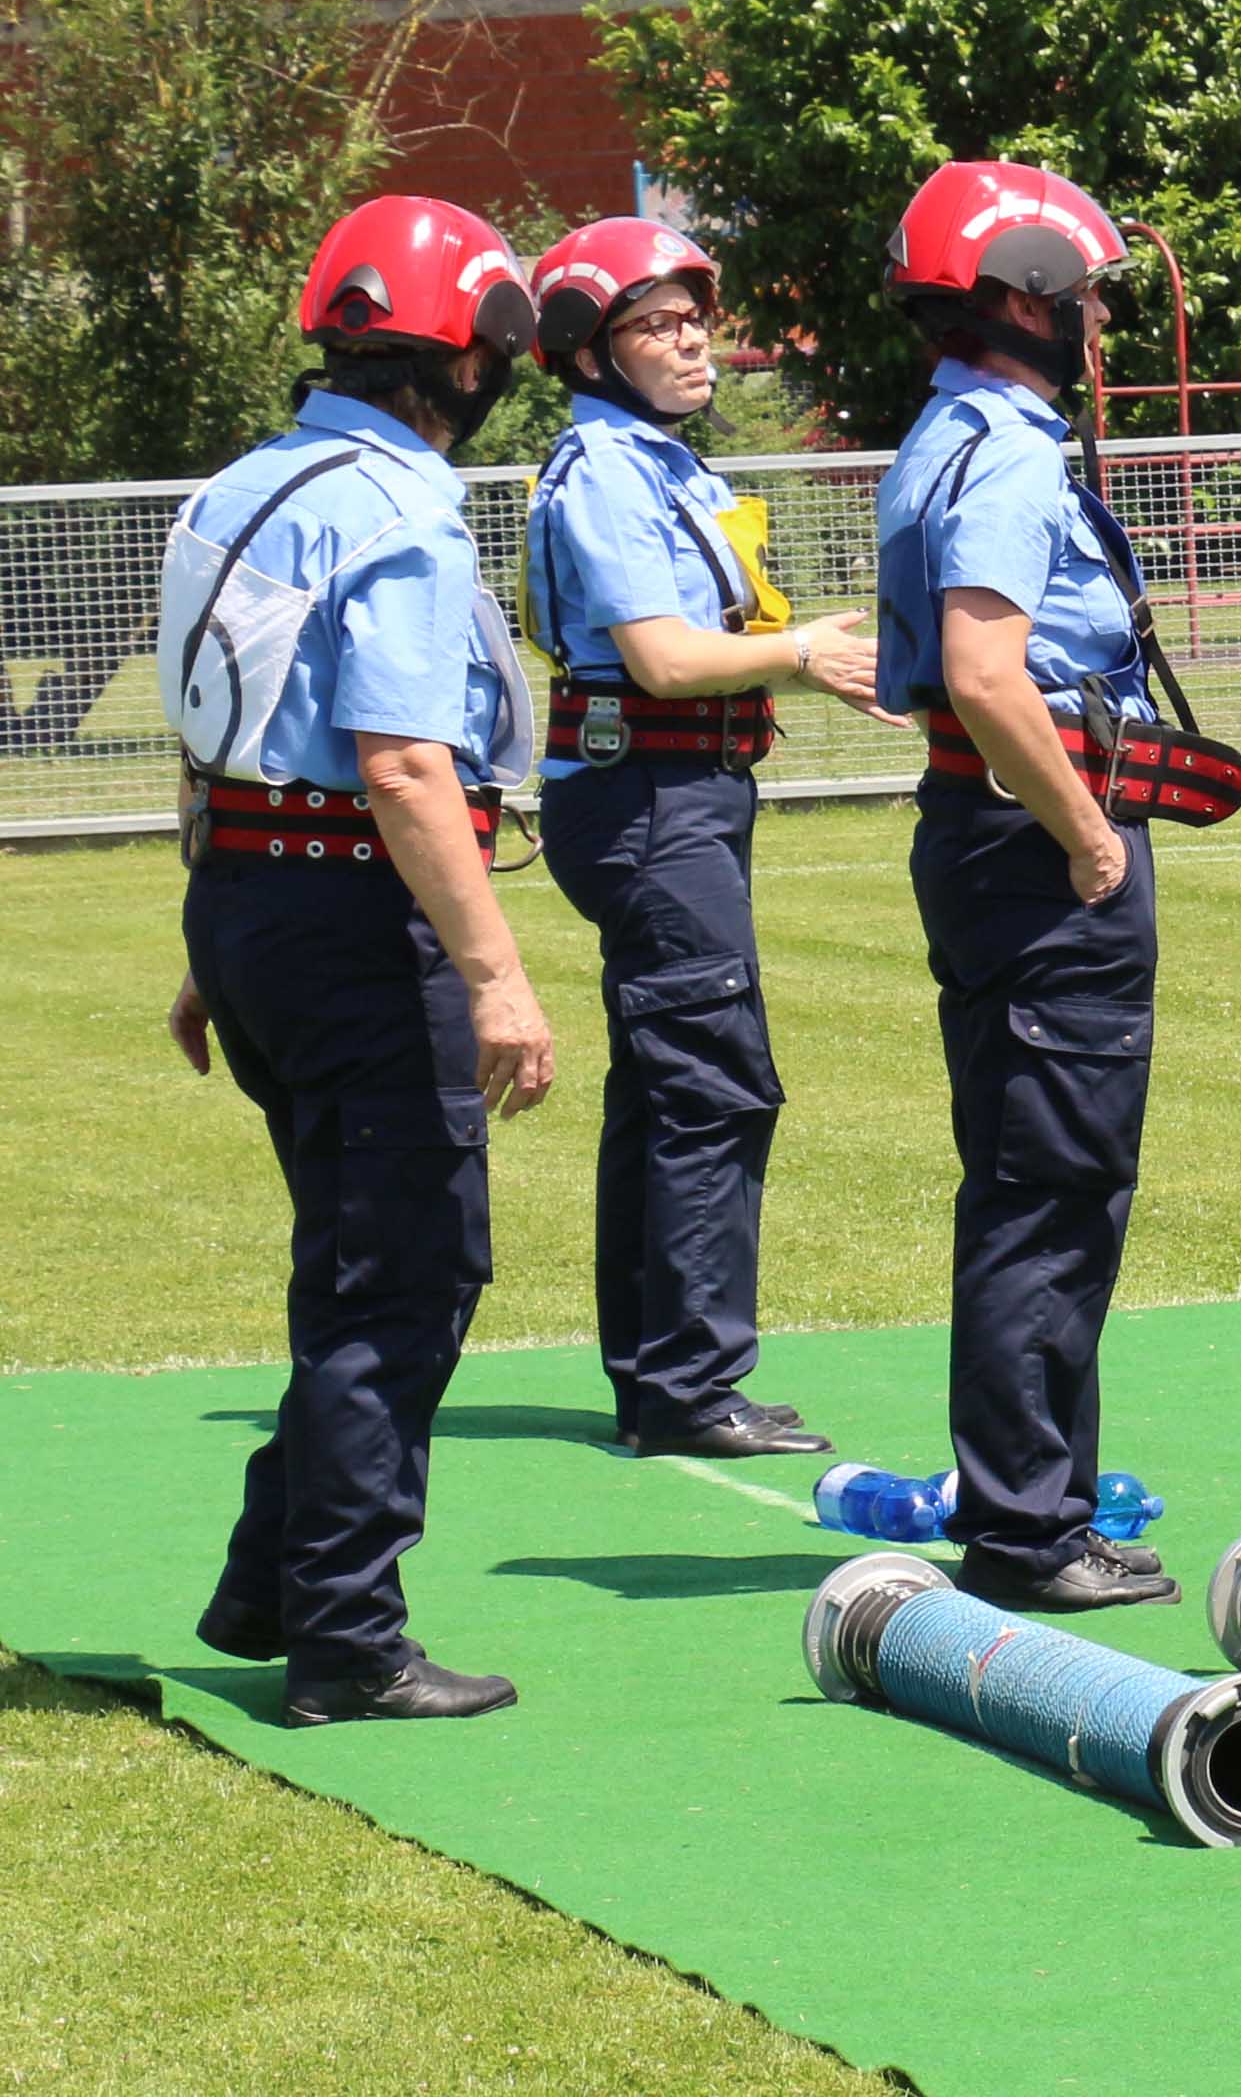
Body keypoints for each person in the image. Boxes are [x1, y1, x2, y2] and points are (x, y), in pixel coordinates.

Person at [156, 196, 552, 1724]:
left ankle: (276, 1580)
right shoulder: (402, 508)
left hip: (252, 898)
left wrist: (216, 936)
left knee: (355, 1253)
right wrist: (496, 975)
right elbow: (401, 763)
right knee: (407, 1268)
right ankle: (345, 1638)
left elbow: (212, 734)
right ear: (472, 358)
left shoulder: (237, 486)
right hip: (350, 918)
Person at [873, 159, 1188, 1614]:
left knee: (1030, 1178)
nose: (1101, 324)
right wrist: (1087, 834)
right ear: (1023, 296)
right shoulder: (1003, 449)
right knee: (1054, 1191)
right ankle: (1027, 1527)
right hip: (1031, 837)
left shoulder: (942, 432)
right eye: (1088, 297)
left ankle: (1037, 1506)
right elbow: (989, 670)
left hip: (977, 829)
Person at [521, 218, 886, 1463]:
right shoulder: (610, 469)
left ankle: (660, 1377)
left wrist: (798, 650)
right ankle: (689, 1385)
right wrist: (803, 653)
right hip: (647, 799)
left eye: (694, 320)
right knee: (713, 1083)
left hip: (678, 793)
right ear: (587, 351)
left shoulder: (655, 460)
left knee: (666, 1084)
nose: (694, 343)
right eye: (658, 325)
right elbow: (665, 659)